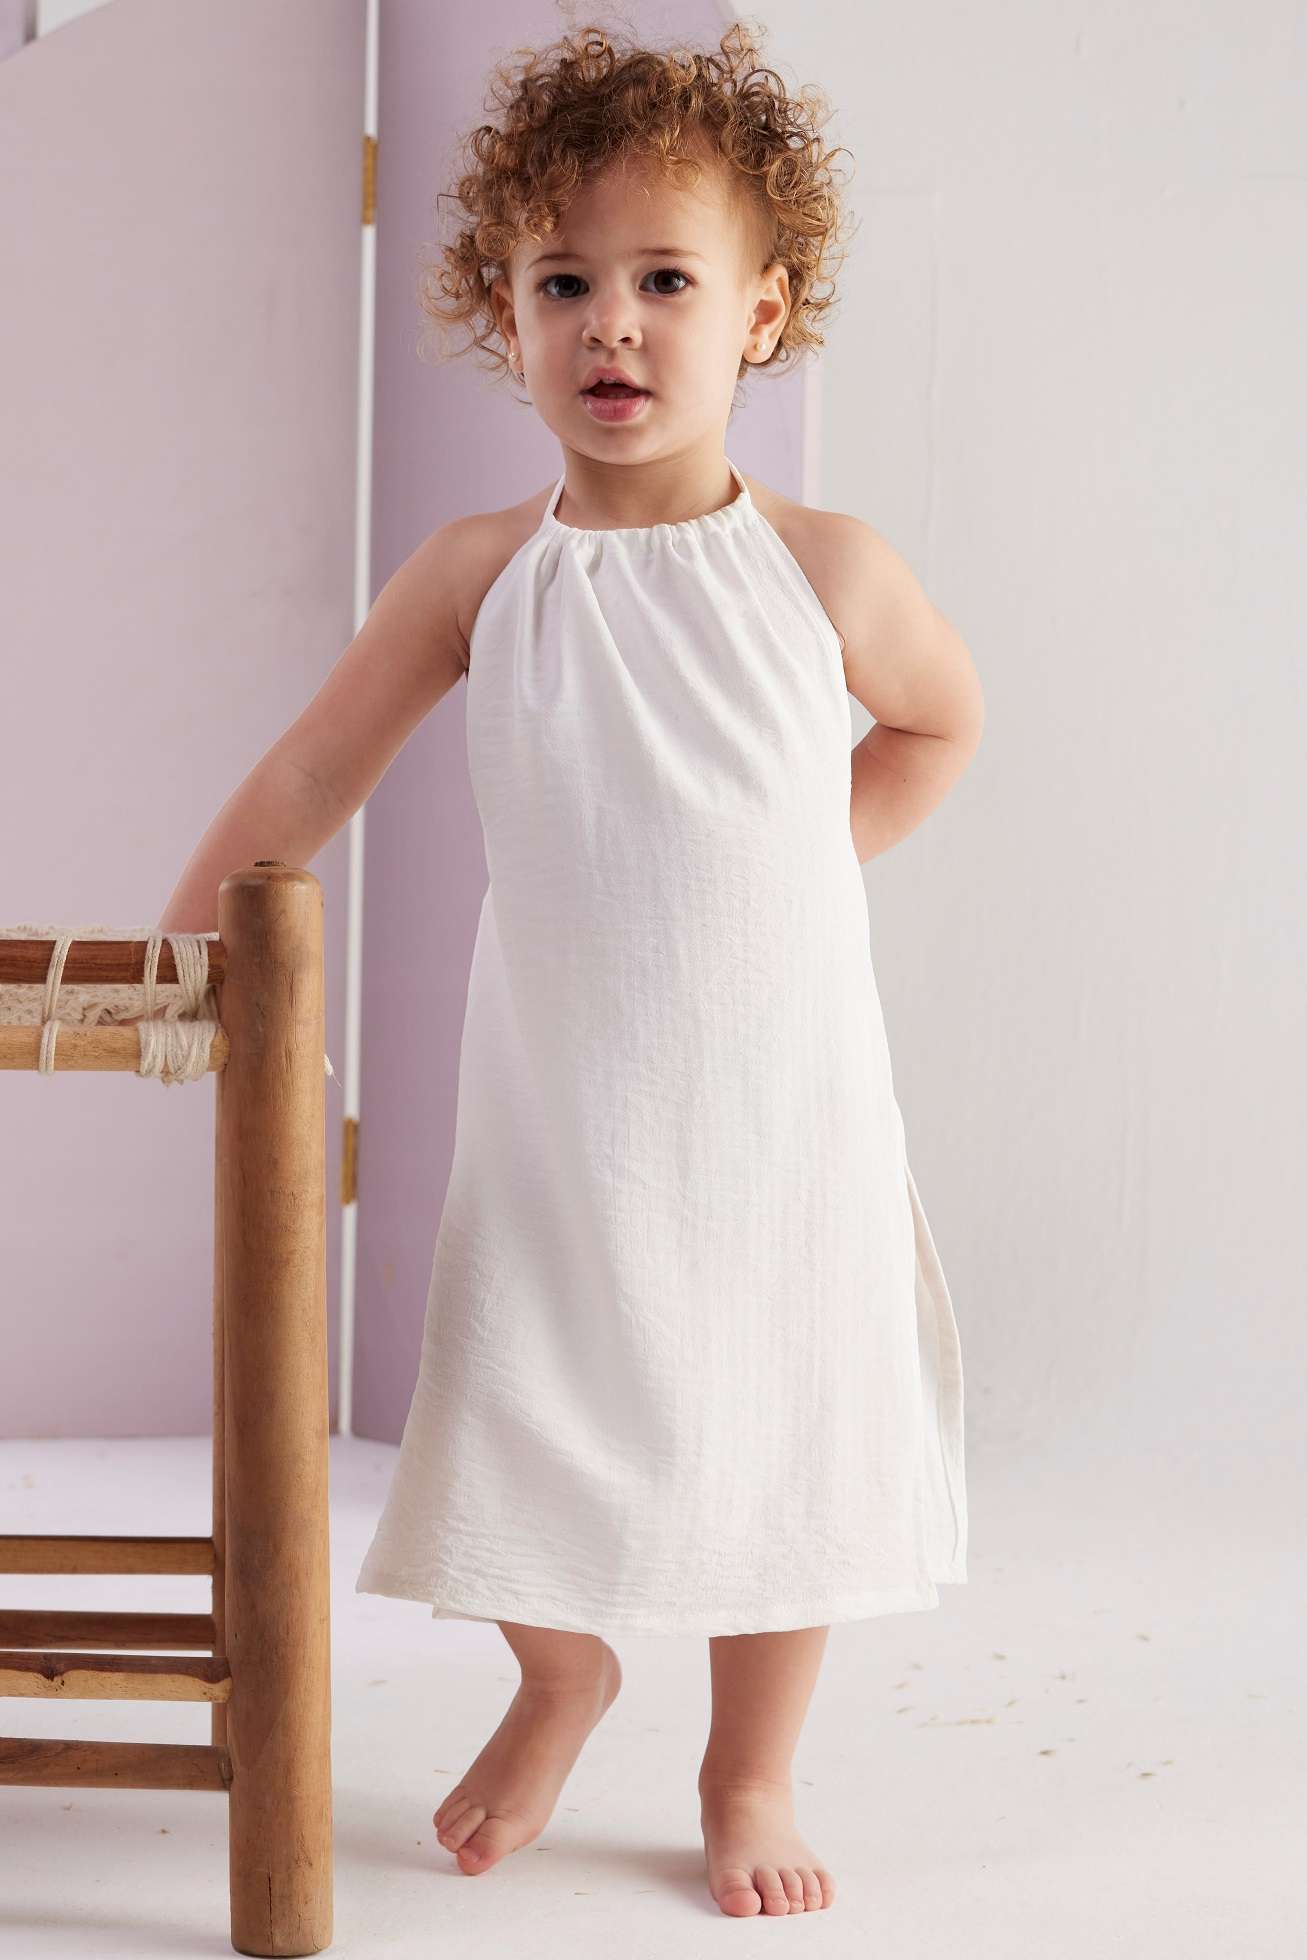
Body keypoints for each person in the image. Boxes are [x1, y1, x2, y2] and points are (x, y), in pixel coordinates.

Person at [159, 20, 984, 1921]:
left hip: (780, 1109)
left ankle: (749, 1767)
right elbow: (311, 772)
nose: (612, 323)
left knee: (786, 1422)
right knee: (506, 1394)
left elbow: (941, 725)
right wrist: (190, 936)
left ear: (763, 316)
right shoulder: (476, 575)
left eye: (666, 281)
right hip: (563, 1118)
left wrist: (801, 870)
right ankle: (562, 1671)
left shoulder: (826, 572)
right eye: (563, 284)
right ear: (505, 316)